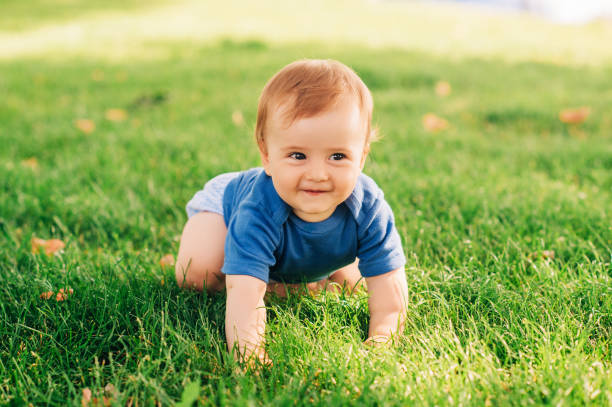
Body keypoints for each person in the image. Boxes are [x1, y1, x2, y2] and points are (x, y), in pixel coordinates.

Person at [175, 59, 409, 364]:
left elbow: (390, 291)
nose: (317, 174)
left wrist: (381, 342)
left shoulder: (368, 207)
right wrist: (250, 356)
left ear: (362, 158)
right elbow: (244, 294)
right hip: (226, 209)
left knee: (355, 283)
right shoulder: (257, 209)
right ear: (267, 155)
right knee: (198, 274)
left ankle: (298, 280)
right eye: (298, 155)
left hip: (299, 228)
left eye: (338, 156)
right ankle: (279, 279)